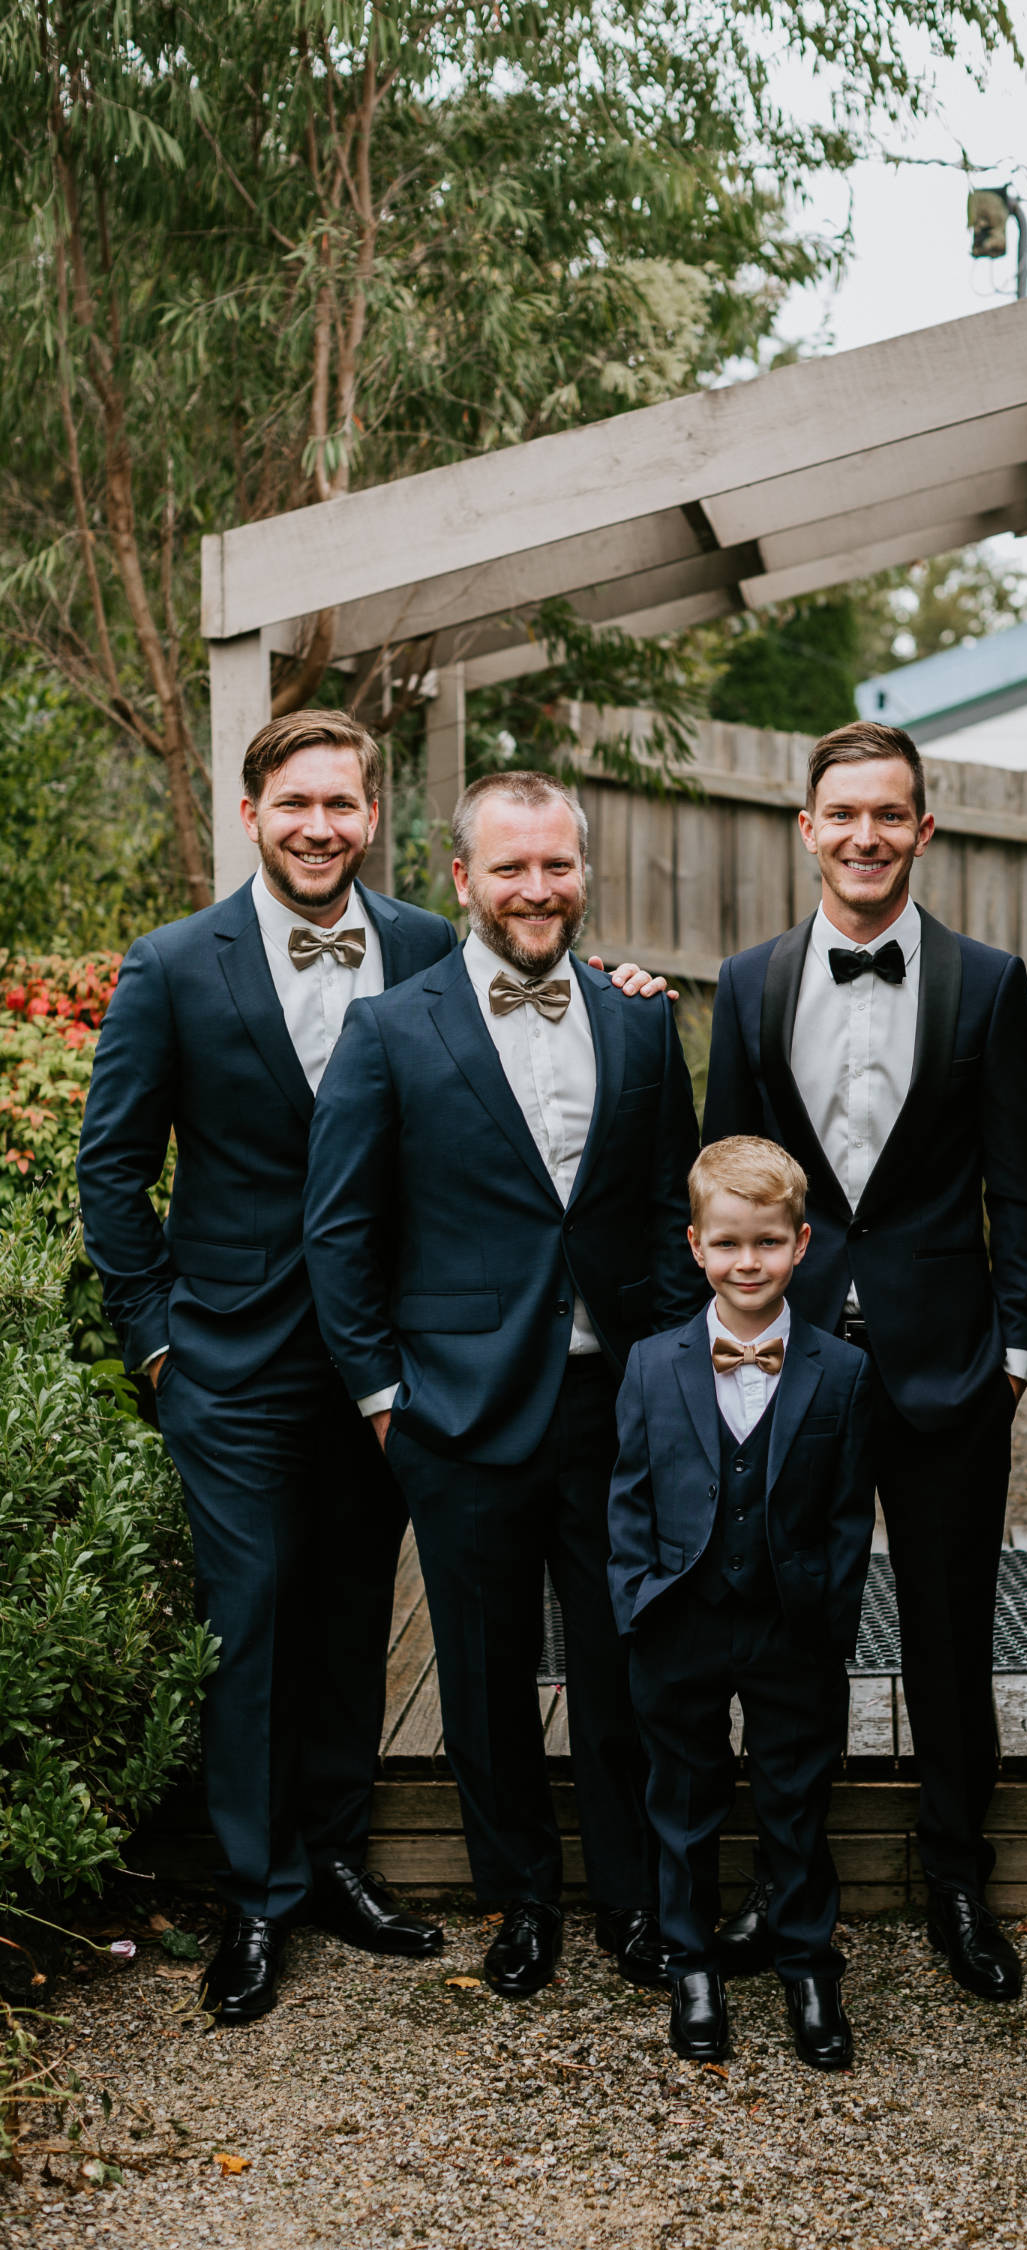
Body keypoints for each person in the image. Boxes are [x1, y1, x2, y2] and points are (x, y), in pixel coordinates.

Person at [77, 710, 456, 2025]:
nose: (319, 826)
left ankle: (340, 1858)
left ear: (369, 815)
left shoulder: (424, 949)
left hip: (380, 1363)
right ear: (254, 813)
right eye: (296, 802)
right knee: (250, 1619)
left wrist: (621, 990)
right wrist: (156, 1336)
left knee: (358, 1607)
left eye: (341, 804)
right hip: (226, 1359)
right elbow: (111, 1169)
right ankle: (256, 1892)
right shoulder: (176, 964)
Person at [303, 769, 705, 1999]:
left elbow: (666, 1211)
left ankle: (637, 1903)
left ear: (584, 874)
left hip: (618, 1405)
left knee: (624, 1665)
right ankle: (521, 1898)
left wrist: (671, 1379)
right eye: (512, 868)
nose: (539, 889)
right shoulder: (391, 1028)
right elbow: (341, 1230)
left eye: (558, 866)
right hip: (457, 1412)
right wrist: (384, 1402)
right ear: (465, 881)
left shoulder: (640, 1019)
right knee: (480, 1675)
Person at [700, 719, 1027, 2000]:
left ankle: (958, 1878)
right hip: (784, 1367)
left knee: (954, 1633)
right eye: (841, 815)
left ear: (924, 829)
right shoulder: (745, 984)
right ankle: (790, 1890)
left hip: (949, 1361)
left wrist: (1016, 1350)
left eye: (888, 815)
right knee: (790, 1631)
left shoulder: (988, 980)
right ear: (807, 828)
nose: (864, 837)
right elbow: (723, 1180)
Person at [608, 1136, 875, 2068]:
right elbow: (630, 1495)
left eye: (766, 1243)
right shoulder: (650, 1363)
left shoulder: (841, 1370)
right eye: (728, 1245)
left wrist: (830, 1618)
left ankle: (806, 1962)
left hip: (791, 1622)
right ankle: (692, 1965)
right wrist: (636, 1599)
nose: (747, 1263)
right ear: (695, 1247)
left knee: (796, 1794)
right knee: (681, 1798)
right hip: (677, 1618)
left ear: (802, 1245)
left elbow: (848, 1511)